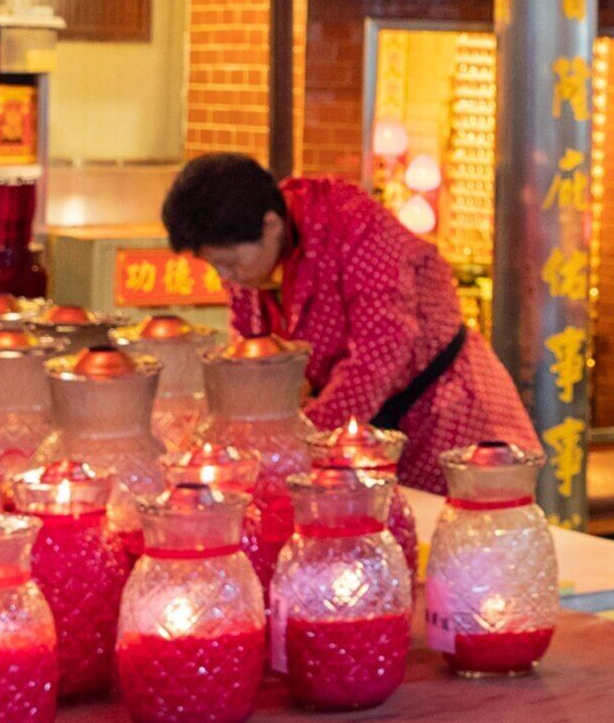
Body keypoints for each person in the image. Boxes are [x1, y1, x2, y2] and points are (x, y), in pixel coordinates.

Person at [161, 151, 538, 493]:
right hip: (354, 435)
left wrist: (300, 445)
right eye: (215, 265)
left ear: (271, 224)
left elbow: (378, 356)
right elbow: (254, 358)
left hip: (446, 417)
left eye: (229, 262)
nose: (226, 276)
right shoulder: (251, 262)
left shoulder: (355, 228)